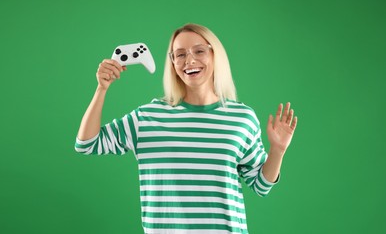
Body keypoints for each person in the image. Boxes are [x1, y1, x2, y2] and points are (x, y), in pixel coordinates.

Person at [75, 23, 298, 234]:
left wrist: (278, 150)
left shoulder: (242, 118)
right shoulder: (148, 117)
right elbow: (87, 143)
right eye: (180, 54)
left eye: (199, 51)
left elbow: (261, 185)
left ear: (214, 55)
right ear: (172, 63)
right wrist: (101, 89)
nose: (189, 61)